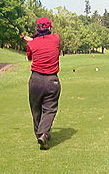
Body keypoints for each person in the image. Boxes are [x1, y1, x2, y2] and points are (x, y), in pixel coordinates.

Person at [23, 17, 61, 150]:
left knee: (36, 108)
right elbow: (46, 40)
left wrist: (31, 41)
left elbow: (29, 58)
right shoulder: (56, 38)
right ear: (49, 28)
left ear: (37, 28)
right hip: (52, 80)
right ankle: (43, 134)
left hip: (36, 80)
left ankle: (40, 134)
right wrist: (33, 40)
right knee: (49, 109)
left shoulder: (31, 44)